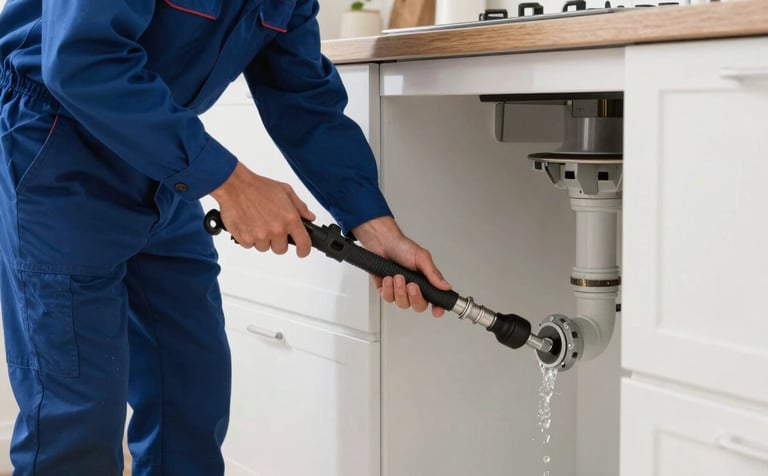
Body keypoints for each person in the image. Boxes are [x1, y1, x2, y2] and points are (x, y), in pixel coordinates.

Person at [0, 0, 451, 474]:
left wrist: (374, 226)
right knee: (76, 421)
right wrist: (233, 184)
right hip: (57, 142)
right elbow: (81, 59)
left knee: (190, 392)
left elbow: (302, 95)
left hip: (160, 156)